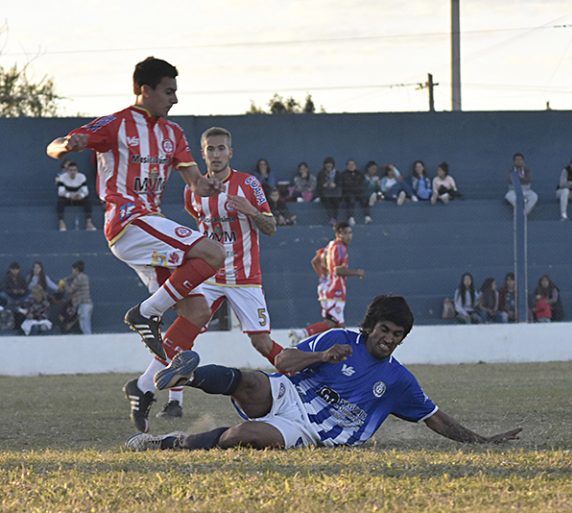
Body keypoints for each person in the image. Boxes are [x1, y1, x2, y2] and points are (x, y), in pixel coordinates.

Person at [126, 295, 522, 452]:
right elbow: (284, 363)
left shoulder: (399, 380)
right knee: (249, 379)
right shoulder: (338, 338)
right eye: (384, 330)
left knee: (244, 436)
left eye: (397, 335)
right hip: (290, 394)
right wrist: (323, 357)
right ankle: (187, 377)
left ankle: (170, 443)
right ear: (370, 326)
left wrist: (479, 439)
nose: (389, 339)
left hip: (316, 431)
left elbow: (433, 416)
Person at [46, 56, 225, 364]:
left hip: (150, 228)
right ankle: (145, 314)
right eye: (169, 92)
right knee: (214, 252)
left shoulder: (174, 133)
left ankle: (144, 389)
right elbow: (54, 146)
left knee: (196, 312)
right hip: (128, 221)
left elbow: (194, 180)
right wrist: (68, 144)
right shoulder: (115, 124)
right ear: (146, 90)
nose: (175, 99)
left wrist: (207, 186)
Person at [126, 126, 285, 427]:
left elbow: (271, 226)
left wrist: (251, 211)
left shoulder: (248, 184)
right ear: (203, 154)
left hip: (245, 276)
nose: (216, 154)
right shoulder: (193, 191)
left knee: (262, 343)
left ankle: (297, 384)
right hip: (209, 274)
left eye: (221, 148)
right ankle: (164, 395)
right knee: (187, 328)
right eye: (210, 149)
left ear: (230, 152)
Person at [288, 222, 365, 343]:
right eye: (345, 233)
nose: (349, 236)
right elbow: (338, 271)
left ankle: (320, 347)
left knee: (334, 325)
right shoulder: (340, 248)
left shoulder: (329, 246)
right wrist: (357, 273)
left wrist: (324, 278)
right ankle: (302, 334)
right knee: (335, 324)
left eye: (350, 233)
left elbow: (314, 261)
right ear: (338, 234)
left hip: (326, 288)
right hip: (336, 290)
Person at [56, 160, 96, 232]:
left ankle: (89, 223)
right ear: (67, 171)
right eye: (71, 170)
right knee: (60, 201)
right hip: (68, 199)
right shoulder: (62, 178)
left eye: (74, 170)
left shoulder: (82, 177)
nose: (72, 172)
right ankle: (61, 223)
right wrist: (70, 196)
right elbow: (61, 192)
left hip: (79, 198)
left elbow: (86, 191)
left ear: (77, 170)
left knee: (88, 201)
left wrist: (81, 196)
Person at [61, 260, 93, 335]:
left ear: (76, 269)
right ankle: (89, 340)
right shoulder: (84, 276)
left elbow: (69, 290)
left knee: (85, 326)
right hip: (85, 304)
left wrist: (65, 283)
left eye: (73, 270)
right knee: (83, 324)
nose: (72, 272)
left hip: (84, 304)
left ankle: (90, 341)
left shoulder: (79, 278)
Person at [340, 159, 370, 226]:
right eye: (349, 165)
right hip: (348, 192)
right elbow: (345, 185)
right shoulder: (343, 174)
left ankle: (367, 216)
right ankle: (351, 218)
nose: (351, 166)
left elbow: (361, 183)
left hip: (358, 192)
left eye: (353, 164)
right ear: (346, 166)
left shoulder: (359, 174)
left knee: (364, 199)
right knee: (351, 199)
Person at [316, 157, 343, 224]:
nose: (328, 166)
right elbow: (319, 184)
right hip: (325, 193)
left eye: (330, 164)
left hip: (335, 193)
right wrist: (323, 185)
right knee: (327, 201)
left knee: (336, 201)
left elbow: (340, 183)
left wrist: (335, 185)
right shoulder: (321, 173)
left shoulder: (337, 173)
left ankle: (334, 218)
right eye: (327, 164)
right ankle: (331, 217)